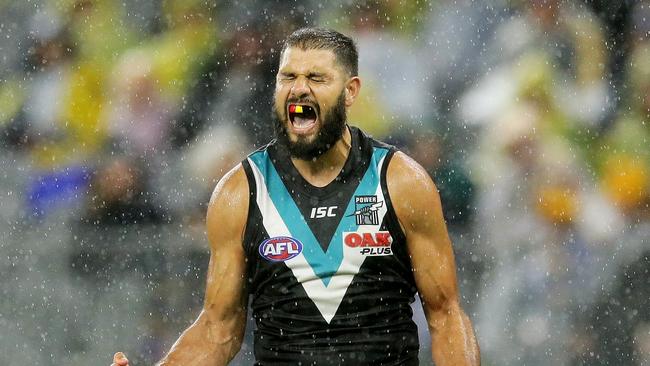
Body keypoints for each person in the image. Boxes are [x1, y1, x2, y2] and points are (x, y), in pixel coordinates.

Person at [111, 27, 480, 366]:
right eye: (288, 76)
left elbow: (445, 315)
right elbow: (217, 330)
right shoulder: (240, 191)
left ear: (350, 91)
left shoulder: (401, 182)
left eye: (316, 78)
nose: (299, 88)